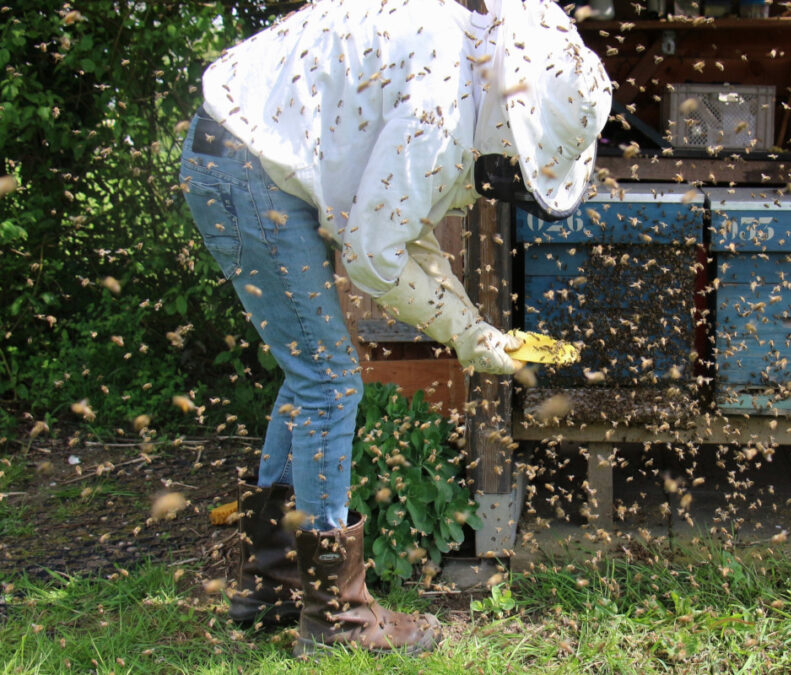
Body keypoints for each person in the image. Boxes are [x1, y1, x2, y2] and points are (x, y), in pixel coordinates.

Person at [177, 0, 611, 658]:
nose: (506, 177)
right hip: (245, 169)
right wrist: (471, 338)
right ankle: (338, 620)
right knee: (329, 379)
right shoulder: (442, 101)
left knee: (311, 372)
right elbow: (375, 255)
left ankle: (274, 579)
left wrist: (474, 328)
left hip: (243, 156)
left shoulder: (468, 60)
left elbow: (406, 231)